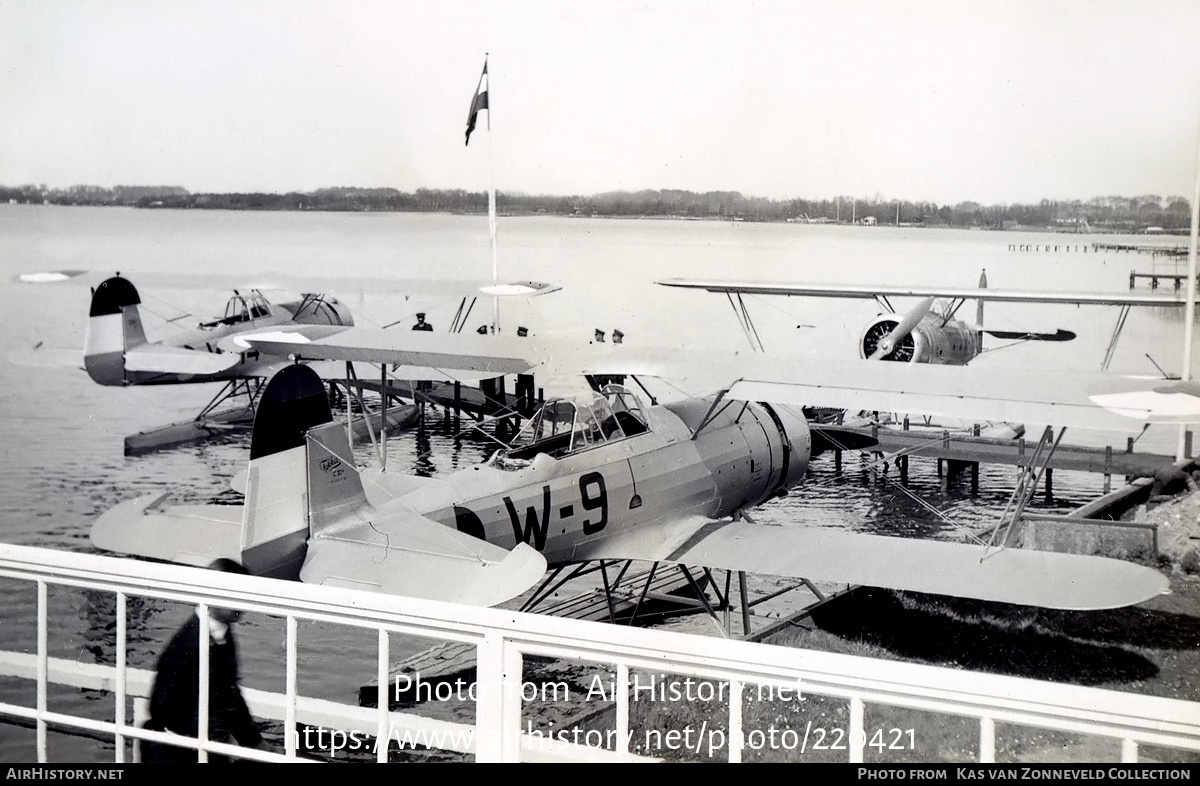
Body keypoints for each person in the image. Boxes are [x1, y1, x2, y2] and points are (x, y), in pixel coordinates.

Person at [140, 559, 264, 763]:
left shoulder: (222, 633)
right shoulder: (186, 644)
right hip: (179, 753)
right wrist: (209, 736)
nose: (243, 602)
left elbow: (229, 692)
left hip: (208, 747)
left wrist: (252, 740)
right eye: (237, 594)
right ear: (212, 592)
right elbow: (161, 706)